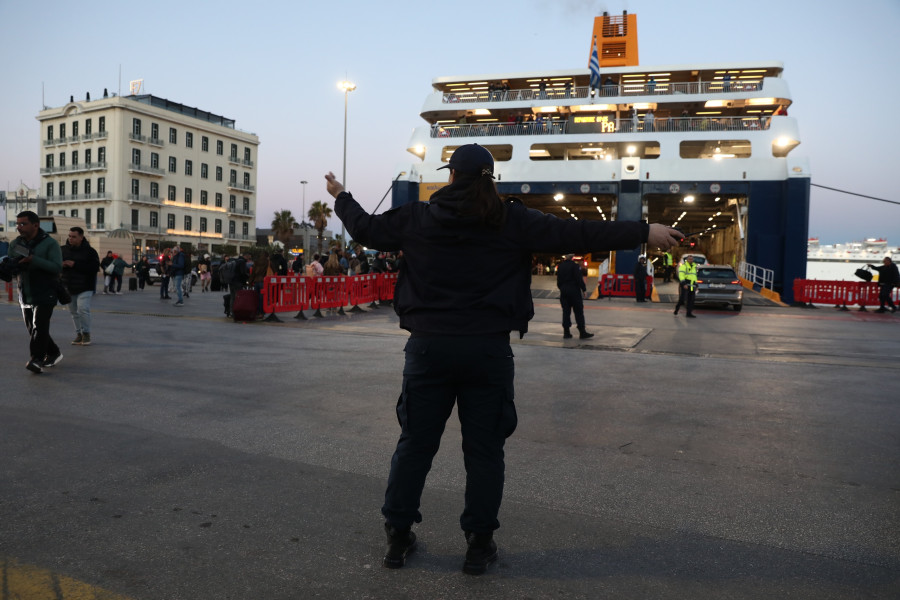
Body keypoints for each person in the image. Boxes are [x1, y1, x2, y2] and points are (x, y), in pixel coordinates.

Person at [324, 143, 682, 575]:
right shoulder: (512, 220)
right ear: (490, 178)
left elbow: (365, 229)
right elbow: (580, 234)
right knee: (484, 451)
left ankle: (398, 538)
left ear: (451, 176)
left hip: (428, 349)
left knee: (415, 445)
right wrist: (643, 231)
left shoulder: (417, 217)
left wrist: (341, 195)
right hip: (488, 351)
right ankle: (478, 545)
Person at [9, 211, 64, 373]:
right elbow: (11, 263)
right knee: (33, 329)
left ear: (35, 225)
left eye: (23, 224)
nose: (19, 227)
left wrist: (34, 260)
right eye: (17, 224)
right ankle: (53, 352)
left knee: (39, 325)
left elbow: (57, 267)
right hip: (25, 292)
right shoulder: (15, 243)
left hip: (46, 291)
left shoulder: (49, 243)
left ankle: (36, 360)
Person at [61, 226, 100, 346]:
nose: (71, 239)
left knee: (83, 308)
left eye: (74, 237)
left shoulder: (90, 252)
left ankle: (86, 333)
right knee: (73, 311)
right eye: (69, 236)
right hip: (69, 285)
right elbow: (55, 264)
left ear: (81, 237)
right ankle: (79, 334)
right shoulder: (62, 250)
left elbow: (94, 268)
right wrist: (61, 265)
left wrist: (75, 264)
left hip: (85, 286)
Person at [557, 254, 593, 339]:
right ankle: (582, 332)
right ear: (572, 257)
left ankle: (566, 332)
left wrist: (562, 288)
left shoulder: (560, 266)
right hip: (574, 292)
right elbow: (579, 279)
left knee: (566, 312)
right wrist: (584, 289)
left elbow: (558, 281)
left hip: (564, 292)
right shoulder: (575, 266)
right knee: (578, 311)